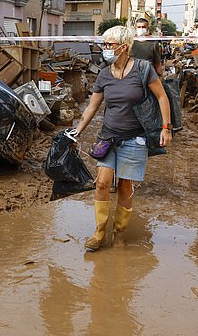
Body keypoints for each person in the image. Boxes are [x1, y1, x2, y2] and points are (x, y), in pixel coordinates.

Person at [69, 25, 172, 252]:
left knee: (125, 187)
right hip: (108, 137)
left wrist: (166, 128)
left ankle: (119, 234)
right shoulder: (104, 74)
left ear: (124, 47)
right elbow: (92, 107)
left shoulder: (143, 69)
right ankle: (99, 232)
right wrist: (76, 131)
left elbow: (162, 97)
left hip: (135, 139)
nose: (105, 49)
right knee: (102, 183)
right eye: (103, 44)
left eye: (109, 45)